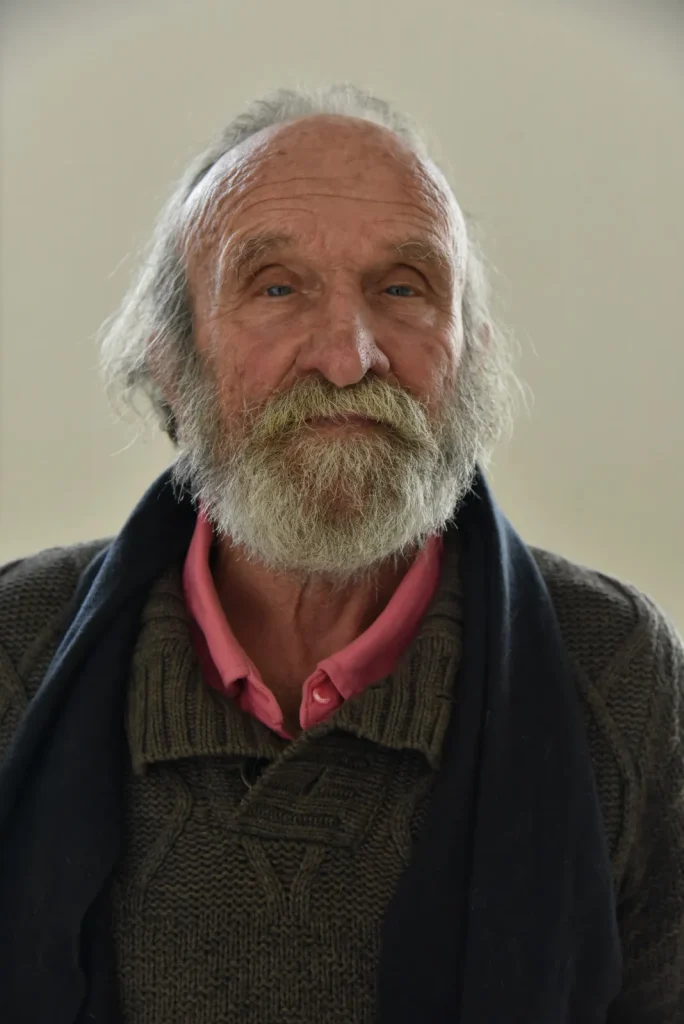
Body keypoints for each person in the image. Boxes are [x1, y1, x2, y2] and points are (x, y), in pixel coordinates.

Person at [0, 84, 682, 1024]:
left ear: (469, 357)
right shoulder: (14, 650)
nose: (349, 356)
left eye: (403, 288)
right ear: (169, 362)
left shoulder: (617, 673)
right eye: (276, 287)